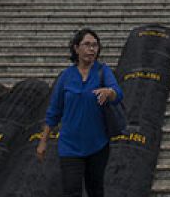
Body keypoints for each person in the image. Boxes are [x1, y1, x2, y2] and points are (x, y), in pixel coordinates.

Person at [37, 27, 123, 197]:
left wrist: (109, 92)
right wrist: (43, 141)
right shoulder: (66, 76)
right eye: (87, 44)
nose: (92, 49)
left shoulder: (102, 71)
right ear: (76, 48)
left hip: (97, 144)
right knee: (71, 190)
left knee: (95, 190)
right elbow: (54, 111)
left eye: (95, 45)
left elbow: (118, 93)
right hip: (70, 146)